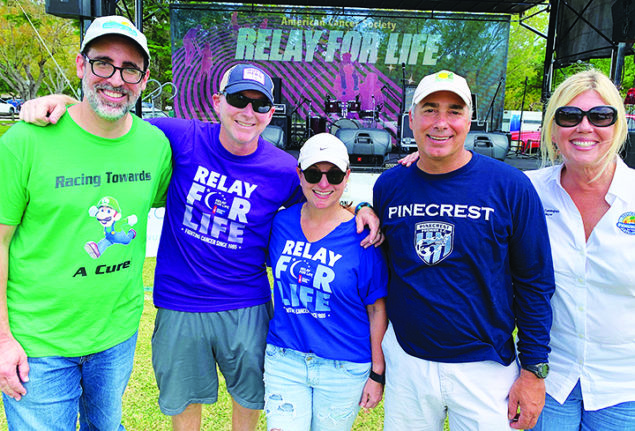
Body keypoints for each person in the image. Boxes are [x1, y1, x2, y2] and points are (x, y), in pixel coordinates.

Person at [20, 63, 381, 431]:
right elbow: (113, 118)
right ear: (217, 101)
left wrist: (362, 208)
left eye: (259, 105)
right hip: (181, 303)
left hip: (247, 306)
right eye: (239, 99)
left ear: (270, 113)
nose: (248, 112)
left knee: (248, 398)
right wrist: (63, 101)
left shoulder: (283, 168)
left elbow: (322, 192)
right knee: (185, 400)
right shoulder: (179, 134)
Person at [0, 16, 172, 430]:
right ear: (80, 65)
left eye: (130, 68)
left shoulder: (155, 146)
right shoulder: (25, 142)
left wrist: (351, 207)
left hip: (115, 336)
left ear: (144, 79)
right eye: (103, 64)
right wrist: (3, 339)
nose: (116, 78)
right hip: (37, 343)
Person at [372, 70, 556, 430]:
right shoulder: (390, 186)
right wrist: (359, 208)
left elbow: (534, 281)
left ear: (470, 119)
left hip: (485, 368)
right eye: (429, 110)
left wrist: (534, 369)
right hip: (408, 361)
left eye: (454, 111)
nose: (441, 123)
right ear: (411, 119)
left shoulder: (509, 187)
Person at [525, 70, 635, 430]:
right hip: (550, 378)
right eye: (569, 116)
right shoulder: (527, 192)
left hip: (624, 387)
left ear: (618, 125)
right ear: (553, 129)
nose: (584, 127)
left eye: (601, 116)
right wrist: (419, 166)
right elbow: (461, 184)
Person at [265, 133, 388, 431]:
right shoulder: (280, 224)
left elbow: (376, 309)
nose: (323, 184)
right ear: (299, 175)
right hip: (284, 358)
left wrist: (377, 372)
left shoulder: (364, 237)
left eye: (333, 175)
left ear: (347, 176)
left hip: (344, 366)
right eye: (313, 174)